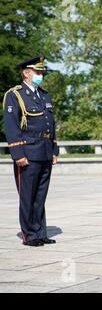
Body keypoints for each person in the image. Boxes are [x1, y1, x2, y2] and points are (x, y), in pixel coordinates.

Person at [2, 56, 59, 247]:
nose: (40, 75)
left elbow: (50, 125)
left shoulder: (44, 95)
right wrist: (18, 154)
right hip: (27, 153)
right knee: (28, 196)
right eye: (37, 72)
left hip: (44, 151)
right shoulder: (15, 95)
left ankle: (40, 232)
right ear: (26, 73)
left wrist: (54, 150)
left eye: (42, 72)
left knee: (40, 195)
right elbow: (11, 126)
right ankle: (30, 235)